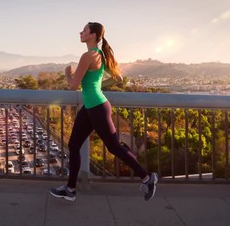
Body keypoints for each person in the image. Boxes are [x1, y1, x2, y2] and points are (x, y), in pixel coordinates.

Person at [49, 22, 158, 202]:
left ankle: (148, 178)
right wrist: (97, 86)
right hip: (91, 107)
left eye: (84, 30)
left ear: (93, 35)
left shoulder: (88, 55)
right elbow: (118, 78)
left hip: (97, 108)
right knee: (74, 145)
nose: (80, 32)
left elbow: (74, 85)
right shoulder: (99, 54)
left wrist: (67, 73)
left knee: (114, 147)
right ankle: (70, 189)